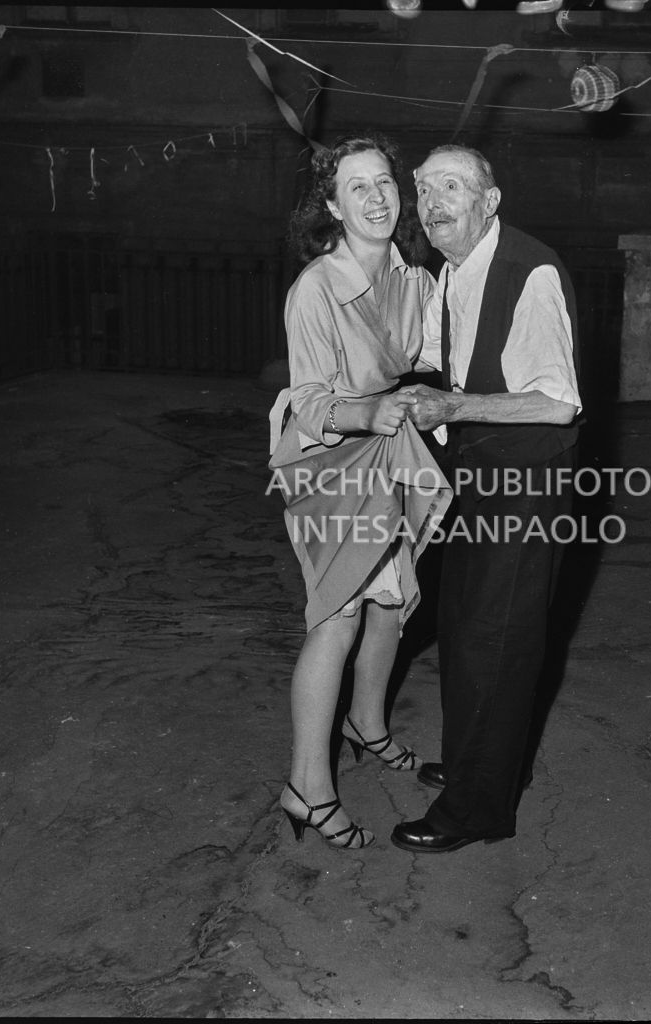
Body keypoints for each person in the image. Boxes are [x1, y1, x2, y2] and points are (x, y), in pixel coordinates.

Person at [391, 145, 581, 854]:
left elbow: (555, 404)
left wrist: (452, 404)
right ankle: (482, 768)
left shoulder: (525, 273)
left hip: (523, 482)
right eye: (423, 190)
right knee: (466, 627)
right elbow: (441, 363)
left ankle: (476, 811)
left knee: (493, 641)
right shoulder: (453, 270)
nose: (432, 204)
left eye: (451, 188)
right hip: (476, 474)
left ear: (489, 202)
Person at [267, 135, 451, 850]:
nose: (377, 198)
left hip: (389, 448)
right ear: (333, 207)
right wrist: (369, 409)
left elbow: (440, 360)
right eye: (358, 187)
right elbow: (309, 402)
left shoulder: (417, 280)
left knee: (393, 606)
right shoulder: (316, 288)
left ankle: (365, 725)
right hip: (329, 459)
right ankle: (306, 787)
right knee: (337, 618)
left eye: (385, 183)